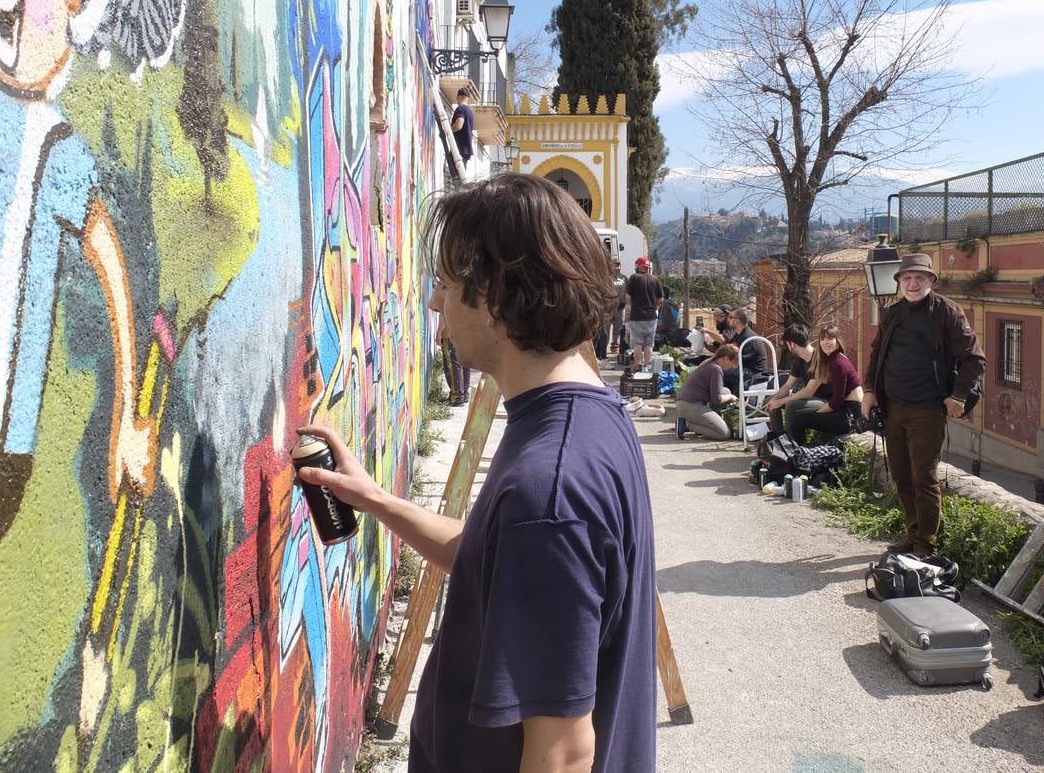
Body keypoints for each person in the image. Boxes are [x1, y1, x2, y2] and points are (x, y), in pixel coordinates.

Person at [297, 174, 656, 771]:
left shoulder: (550, 491)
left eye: (445, 284)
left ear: (492, 298)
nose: (435, 303)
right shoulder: (589, 416)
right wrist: (376, 500)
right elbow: (496, 561)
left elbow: (562, 754)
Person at [862, 253, 986, 558]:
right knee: (902, 476)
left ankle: (924, 547)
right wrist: (869, 391)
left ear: (931, 281)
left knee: (924, 478)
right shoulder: (892, 313)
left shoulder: (947, 312)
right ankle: (913, 534)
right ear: (900, 282)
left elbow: (974, 359)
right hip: (892, 408)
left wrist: (957, 397)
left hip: (927, 411)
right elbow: (877, 354)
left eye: (920, 278)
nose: (913, 283)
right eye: (907, 278)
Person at [782, 325, 864, 445]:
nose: (826, 342)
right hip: (843, 409)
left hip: (850, 415)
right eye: (822, 339)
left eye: (830, 339)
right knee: (801, 418)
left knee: (799, 420)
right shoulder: (830, 359)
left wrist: (816, 414)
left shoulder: (838, 363)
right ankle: (792, 451)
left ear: (838, 341)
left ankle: (794, 456)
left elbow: (837, 400)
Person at [675, 345, 740, 440]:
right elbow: (716, 399)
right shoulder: (716, 369)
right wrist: (731, 397)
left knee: (725, 391)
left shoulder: (710, 362)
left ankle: (698, 421)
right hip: (691, 405)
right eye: (733, 362)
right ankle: (687, 425)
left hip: (685, 402)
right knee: (725, 434)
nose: (733, 367)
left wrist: (728, 395)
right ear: (726, 358)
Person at [762, 324, 815, 436]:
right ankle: (779, 439)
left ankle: (792, 443)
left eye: (786, 344)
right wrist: (775, 399)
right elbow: (788, 386)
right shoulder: (799, 360)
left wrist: (781, 401)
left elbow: (809, 392)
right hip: (809, 397)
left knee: (791, 405)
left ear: (792, 344)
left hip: (823, 399)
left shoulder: (818, 359)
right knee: (771, 402)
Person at [624, 256, 663, 372]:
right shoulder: (655, 280)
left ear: (640, 266)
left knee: (637, 342)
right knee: (649, 343)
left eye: (636, 265)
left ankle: (638, 365)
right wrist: (653, 307)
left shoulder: (634, 278)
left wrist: (633, 307)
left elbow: (627, 296)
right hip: (651, 316)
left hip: (637, 315)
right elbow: (660, 300)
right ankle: (647, 366)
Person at [722, 308, 768, 395]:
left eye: (731, 317)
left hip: (754, 373)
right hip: (745, 368)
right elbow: (727, 350)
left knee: (720, 372)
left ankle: (720, 400)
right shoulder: (739, 334)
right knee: (717, 369)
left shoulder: (749, 338)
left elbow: (736, 362)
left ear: (737, 320)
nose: (728, 319)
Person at [450, 87, 474, 168]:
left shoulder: (460, 109)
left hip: (458, 148)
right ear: (468, 99)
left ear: (458, 97)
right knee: (460, 177)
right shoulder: (470, 112)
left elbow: (458, 125)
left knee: (452, 176)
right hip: (466, 149)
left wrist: (448, 130)